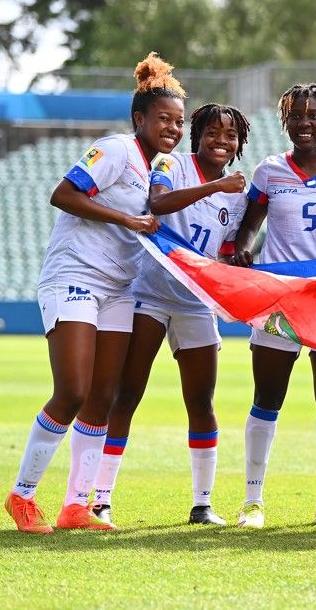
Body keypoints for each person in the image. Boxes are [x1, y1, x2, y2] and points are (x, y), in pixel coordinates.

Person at [4, 52, 182, 533]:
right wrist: (127, 218)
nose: (173, 128)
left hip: (119, 287)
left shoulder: (156, 167)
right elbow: (62, 194)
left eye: (179, 121)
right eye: (163, 119)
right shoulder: (117, 149)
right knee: (73, 390)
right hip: (75, 277)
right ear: (139, 118)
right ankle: (21, 497)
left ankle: (75, 506)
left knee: (103, 395)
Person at [89, 104, 251, 527]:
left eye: (230, 135)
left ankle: (202, 503)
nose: (222, 140)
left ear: (239, 144)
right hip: (150, 293)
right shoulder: (169, 163)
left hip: (196, 301)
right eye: (213, 131)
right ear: (197, 134)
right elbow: (158, 204)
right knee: (128, 394)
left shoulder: (238, 194)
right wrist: (214, 187)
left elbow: (227, 248)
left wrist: (239, 262)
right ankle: (100, 498)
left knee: (201, 401)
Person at [230, 83, 316, 529]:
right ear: (285, 121)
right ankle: (252, 503)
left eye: (313, 115)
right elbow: (249, 227)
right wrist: (244, 250)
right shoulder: (268, 171)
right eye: (296, 116)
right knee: (267, 398)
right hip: (278, 296)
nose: (304, 123)